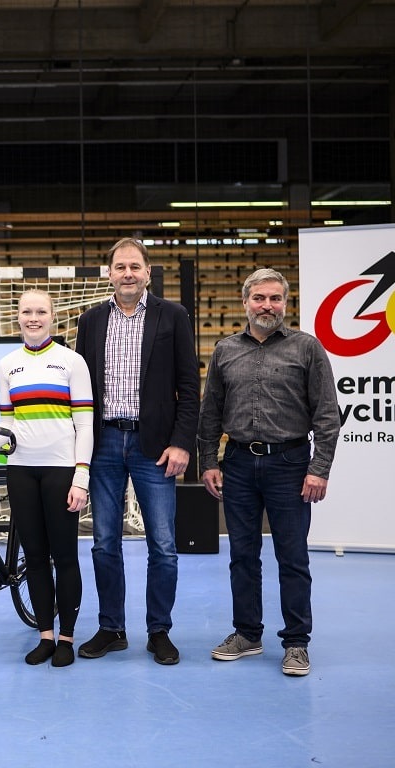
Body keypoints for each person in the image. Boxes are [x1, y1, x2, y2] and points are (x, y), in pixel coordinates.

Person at [198, 268, 339, 677]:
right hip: (238, 464)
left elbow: (327, 416)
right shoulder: (225, 350)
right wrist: (209, 461)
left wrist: (319, 469)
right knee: (243, 556)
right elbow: (210, 415)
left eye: (275, 298)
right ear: (245, 303)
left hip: (291, 466)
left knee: (292, 557)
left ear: (285, 303)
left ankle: (296, 642)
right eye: (259, 298)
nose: (267, 306)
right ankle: (247, 634)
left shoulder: (307, 348)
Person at [0, 289, 94, 666]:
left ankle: (66, 638)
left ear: (52, 315)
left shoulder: (71, 362)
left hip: (62, 470)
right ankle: (45, 635)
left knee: (64, 557)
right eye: (27, 311)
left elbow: (85, 423)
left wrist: (81, 477)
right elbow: (5, 427)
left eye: (41, 311)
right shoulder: (8, 364)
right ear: (18, 316)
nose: (33, 317)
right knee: (36, 557)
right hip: (22, 470)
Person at [74, 237, 200, 665]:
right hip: (105, 442)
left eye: (135, 266)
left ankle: (159, 630)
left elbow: (189, 386)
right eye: (120, 266)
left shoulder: (174, 316)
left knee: (163, 544)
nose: (127, 273)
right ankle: (112, 627)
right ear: (108, 273)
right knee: (104, 543)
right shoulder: (90, 321)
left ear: (147, 272)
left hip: (156, 446)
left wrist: (182, 443)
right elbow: (79, 392)